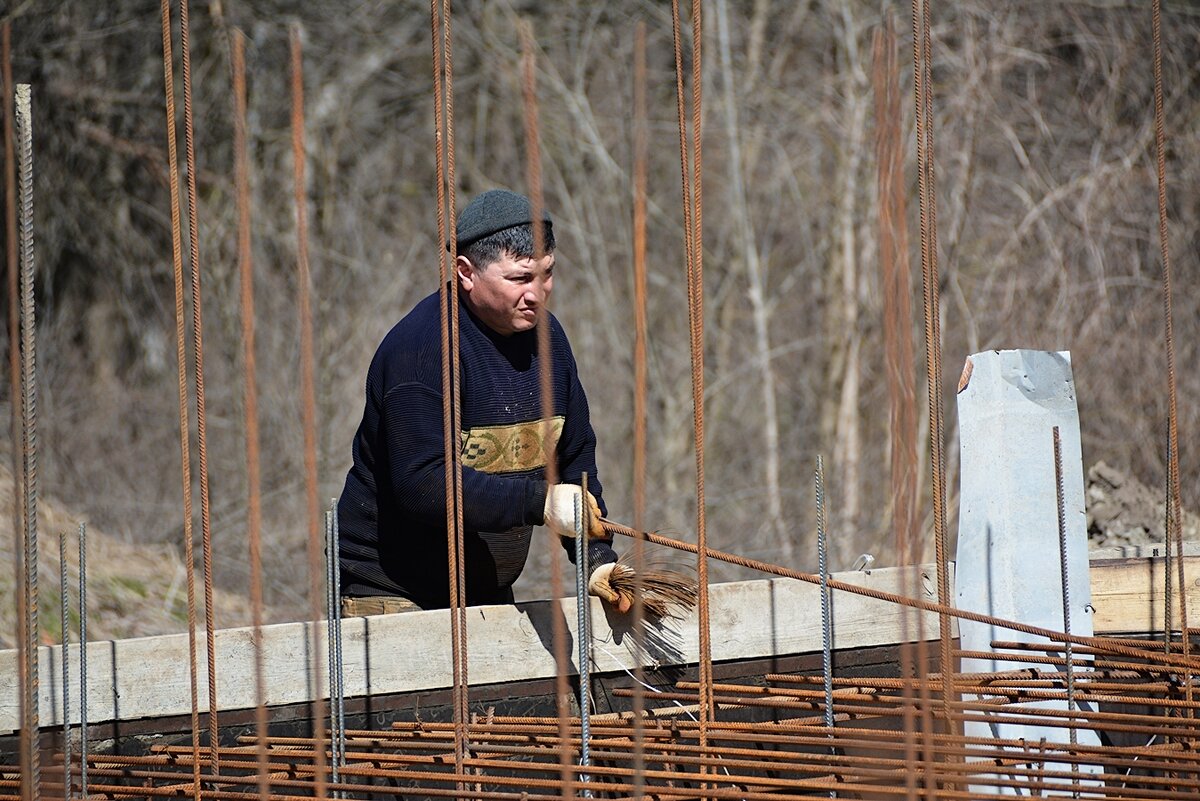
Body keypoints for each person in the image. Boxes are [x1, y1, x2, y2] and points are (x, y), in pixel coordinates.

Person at [337, 189, 631, 616]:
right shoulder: (421, 350)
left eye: (547, 274)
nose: (538, 293)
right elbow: (421, 484)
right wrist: (538, 503)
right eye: (519, 279)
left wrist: (596, 559)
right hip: (392, 594)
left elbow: (574, 461)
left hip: (485, 592)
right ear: (465, 272)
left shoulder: (550, 343)